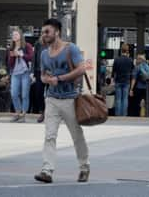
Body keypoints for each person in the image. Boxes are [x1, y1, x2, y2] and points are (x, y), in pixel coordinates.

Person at [34, 18, 89, 184]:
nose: (44, 35)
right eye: (43, 32)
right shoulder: (44, 53)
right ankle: (47, 170)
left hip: (70, 99)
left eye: (47, 32)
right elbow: (43, 75)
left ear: (57, 32)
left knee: (77, 136)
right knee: (49, 136)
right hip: (51, 99)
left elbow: (82, 68)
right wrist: (47, 80)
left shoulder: (70, 49)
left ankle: (84, 167)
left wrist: (60, 78)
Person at [8, 28, 34, 122]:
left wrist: (21, 55)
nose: (14, 36)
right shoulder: (11, 48)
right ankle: (18, 112)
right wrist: (12, 56)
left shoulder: (27, 46)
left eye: (16, 34)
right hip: (15, 73)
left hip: (25, 73)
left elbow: (31, 57)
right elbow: (10, 64)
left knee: (24, 95)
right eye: (13, 35)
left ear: (20, 36)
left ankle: (23, 114)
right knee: (14, 94)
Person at [112, 43, 134, 117]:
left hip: (118, 81)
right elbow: (132, 70)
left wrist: (112, 79)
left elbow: (113, 71)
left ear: (121, 50)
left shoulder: (117, 59)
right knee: (125, 99)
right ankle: (124, 114)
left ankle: (118, 114)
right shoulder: (130, 60)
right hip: (126, 81)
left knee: (118, 99)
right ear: (127, 51)